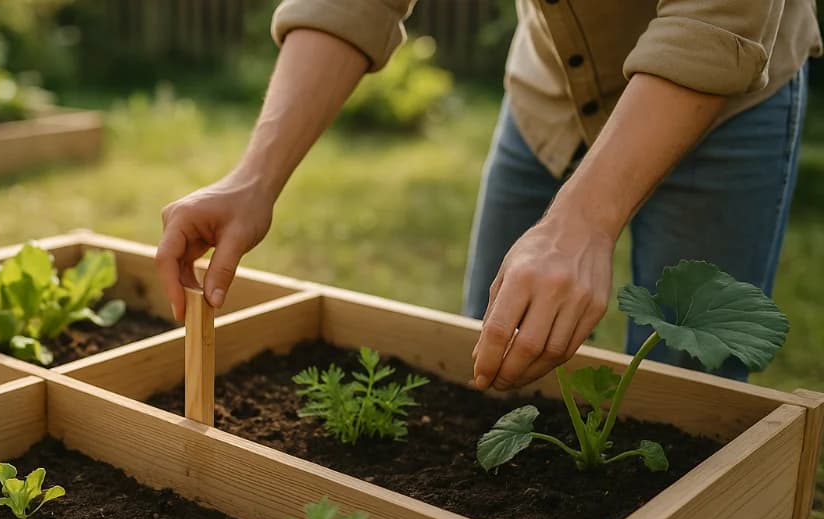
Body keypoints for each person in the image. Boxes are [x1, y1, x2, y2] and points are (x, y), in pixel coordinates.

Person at [155, 0, 821, 390]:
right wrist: (254, 178)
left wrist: (583, 220)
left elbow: (717, 16)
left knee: (689, 391)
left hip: (725, 88)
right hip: (552, 87)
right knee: (494, 363)